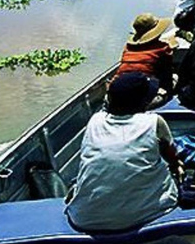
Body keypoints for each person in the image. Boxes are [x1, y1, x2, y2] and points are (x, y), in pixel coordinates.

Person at [66, 72, 181, 231]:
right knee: (173, 175)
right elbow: (172, 157)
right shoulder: (153, 122)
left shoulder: (95, 120)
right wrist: (177, 169)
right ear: (143, 102)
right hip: (143, 213)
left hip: (84, 217)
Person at [114, 13, 175, 103]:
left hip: (116, 93)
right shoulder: (162, 48)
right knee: (175, 78)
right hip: (141, 98)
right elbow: (166, 76)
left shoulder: (128, 48)